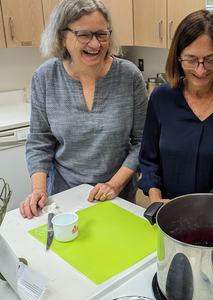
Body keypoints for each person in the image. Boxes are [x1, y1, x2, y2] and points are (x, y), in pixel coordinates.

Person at [20, 0, 147, 219]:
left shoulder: (129, 76)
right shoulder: (45, 77)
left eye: (101, 34)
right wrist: (39, 190)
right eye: (84, 35)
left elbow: (142, 142)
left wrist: (113, 185)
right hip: (63, 197)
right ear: (62, 37)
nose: (95, 44)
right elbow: (40, 142)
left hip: (117, 196)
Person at [138, 10, 213, 202]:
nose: (200, 70)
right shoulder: (162, 97)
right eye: (191, 59)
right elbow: (148, 159)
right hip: (166, 211)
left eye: (210, 60)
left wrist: (202, 210)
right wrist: (156, 199)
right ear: (178, 57)